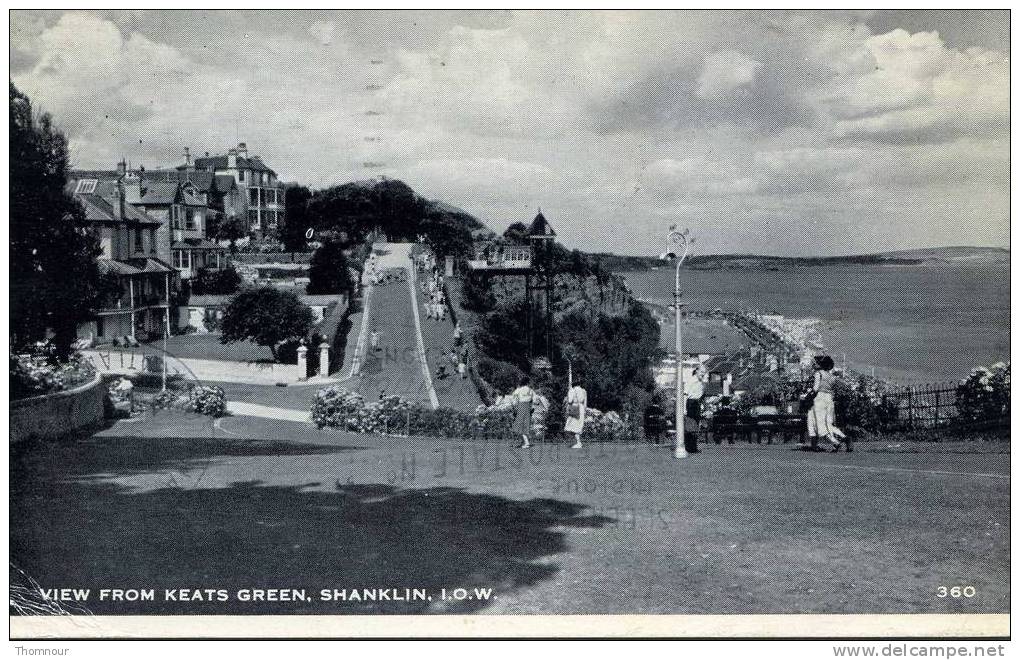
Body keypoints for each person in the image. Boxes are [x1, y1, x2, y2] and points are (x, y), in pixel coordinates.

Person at [804, 354, 849, 452]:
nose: (813, 364)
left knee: (820, 424)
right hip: (829, 399)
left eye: (815, 363)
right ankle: (843, 437)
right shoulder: (831, 376)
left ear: (820, 365)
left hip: (819, 398)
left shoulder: (818, 374)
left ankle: (835, 442)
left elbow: (815, 388)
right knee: (828, 423)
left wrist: (807, 396)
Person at [684, 366, 708, 454]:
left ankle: (693, 447)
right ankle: (689, 447)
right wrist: (684, 409)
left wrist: (702, 406)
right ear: (697, 371)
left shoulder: (701, 382)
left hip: (697, 403)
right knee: (690, 426)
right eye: (701, 372)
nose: (703, 374)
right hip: (690, 403)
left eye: (704, 372)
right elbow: (685, 394)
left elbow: (701, 395)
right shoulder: (690, 381)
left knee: (696, 426)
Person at [510, 376, 536, 449]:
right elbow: (535, 399)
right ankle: (523, 442)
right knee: (525, 425)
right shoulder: (531, 390)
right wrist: (532, 407)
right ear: (527, 382)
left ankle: (526, 443)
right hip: (528, 407)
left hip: (521, 407)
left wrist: (514, 406)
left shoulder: (519, 389)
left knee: (519, 425)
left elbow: (513, 399)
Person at [564, 378, 588, 449]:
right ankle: (577, 442)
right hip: (581, 408)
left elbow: (570, 401)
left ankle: (578, 442)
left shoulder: (572, 390)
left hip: (574, 408)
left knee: (572, 426)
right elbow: (585, 403)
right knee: (578, 425)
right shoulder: (584, 391)